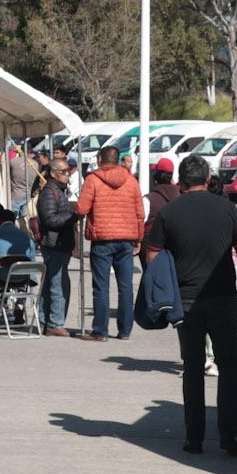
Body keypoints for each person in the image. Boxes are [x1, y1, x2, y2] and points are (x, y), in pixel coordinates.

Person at [157, 154, 237, 456]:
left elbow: (152, 254)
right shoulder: (227, 209)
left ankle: (194, 439)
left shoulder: (169, 212)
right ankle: (228, 437)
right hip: (223, 300)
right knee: (229, 367)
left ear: (180, 181)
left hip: (185, 302)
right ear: (209, 180)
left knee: (192, 369)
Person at [78, 144, 146, 343]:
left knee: (101, 287)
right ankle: (125, 330)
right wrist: (138, 239)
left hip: (102, 240)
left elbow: (81, 209)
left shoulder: (93, 180)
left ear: (100, 159)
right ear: (118, 160)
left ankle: (100, 330)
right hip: (125, 240)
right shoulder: (131, 181)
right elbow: (140, 214)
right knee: (125, 287)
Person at [32, 150, 81, 335]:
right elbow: (50, 219)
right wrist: (72, 216)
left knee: (55, 282)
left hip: (61, 243)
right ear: (53, 173)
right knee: (57, 284)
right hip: (54, 243)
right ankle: (54, 323)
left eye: (68, 171)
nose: (67, 174)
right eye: (64, 171)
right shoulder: (49, 192)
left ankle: (47, 321)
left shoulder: (58, 190)